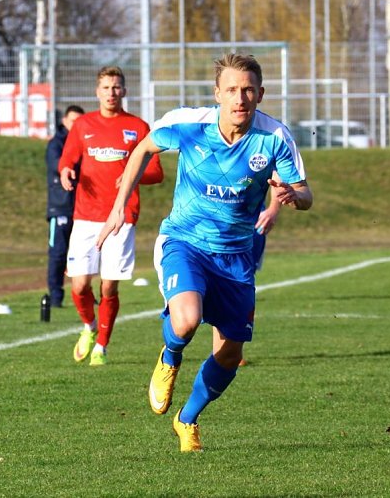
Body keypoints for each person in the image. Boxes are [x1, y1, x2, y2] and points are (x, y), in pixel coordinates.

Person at [97, 53, 312, 452]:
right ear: (218, 94)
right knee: (187, 320)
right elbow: (143, 149)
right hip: (185, 242)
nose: (240, 98)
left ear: (260, 93)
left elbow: (305, 193)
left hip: (236, 258)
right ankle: (170, 356)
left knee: (229, 354)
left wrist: (292, 196)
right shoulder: (189, 126)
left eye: (248, 89)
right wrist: (117, 210)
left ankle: (187, 420)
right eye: (231, 89)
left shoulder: (275, 137)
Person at [58, 66, 164, 366]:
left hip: (121, 216)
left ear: (125, 91)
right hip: (86, 215)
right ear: (97, 92)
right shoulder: (84, 125)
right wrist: (65, 170)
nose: (111, 93)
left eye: (116, 87)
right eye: (106, 87)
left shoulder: (139, 127)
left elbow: (156, 171)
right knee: (79, 286)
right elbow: (68, 159)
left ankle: (102, 346)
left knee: (109, 285)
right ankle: (89, 327)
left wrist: (132, 176)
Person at [46, 105, 85, 308]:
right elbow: (59, 165)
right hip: (60, 207)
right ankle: (55, 296)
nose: (76, 125)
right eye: (72, 121)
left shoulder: (85, 142)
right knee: (58, 253)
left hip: (83, 208)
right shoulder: (56, 144)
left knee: (82, 254)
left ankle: (84, 294)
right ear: (64, 121)